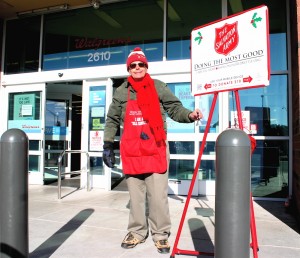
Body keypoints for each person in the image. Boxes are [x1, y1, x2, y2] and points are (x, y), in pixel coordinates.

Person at [102, 47, 203, 254]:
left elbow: (175, 108)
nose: (137, 68)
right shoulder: (121, 91)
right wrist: (107, 144)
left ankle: (160, 234)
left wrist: (190, 115)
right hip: (131, 149)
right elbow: (112, 119)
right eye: (133, 65)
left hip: (155, 147)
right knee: (136, 197)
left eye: (140, 64)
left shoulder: (158, 86)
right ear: (128, 68)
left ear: (146, 66)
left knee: (157, 196)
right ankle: (137, 232)